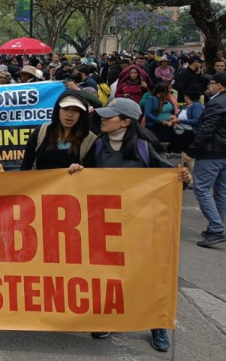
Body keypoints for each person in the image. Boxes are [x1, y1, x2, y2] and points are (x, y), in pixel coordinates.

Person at [68, 98, 190, 352]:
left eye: (109, 116)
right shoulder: (100, 144)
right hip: (109, 225)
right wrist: (78, 170)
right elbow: (89, 176)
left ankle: (157, 324)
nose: (103, 119)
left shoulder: (145, 146)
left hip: (143, 224)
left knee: (148, 275)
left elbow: (168, 177)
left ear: (125, 122)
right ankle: (111, 318)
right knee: (111, 276)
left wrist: (183, 178)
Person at [187, 72, 226, 248]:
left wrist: (192, 151)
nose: (208, 87)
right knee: (221, 191)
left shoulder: (216, 103)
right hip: (222, 153)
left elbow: (206, 130)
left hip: (211, 152)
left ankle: (217, 228)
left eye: (211, 83)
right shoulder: (218, 101)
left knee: (201, 188)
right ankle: (216, 226)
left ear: (219, 86)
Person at [21, 91, 97, 170]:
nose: (70, 114)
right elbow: (25, 167)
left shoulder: (89, 139)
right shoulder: (40, 132)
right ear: (58, 110)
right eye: (65, 109)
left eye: (76, 110)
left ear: (81, 114)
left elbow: (90, 175)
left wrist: (80, 169)